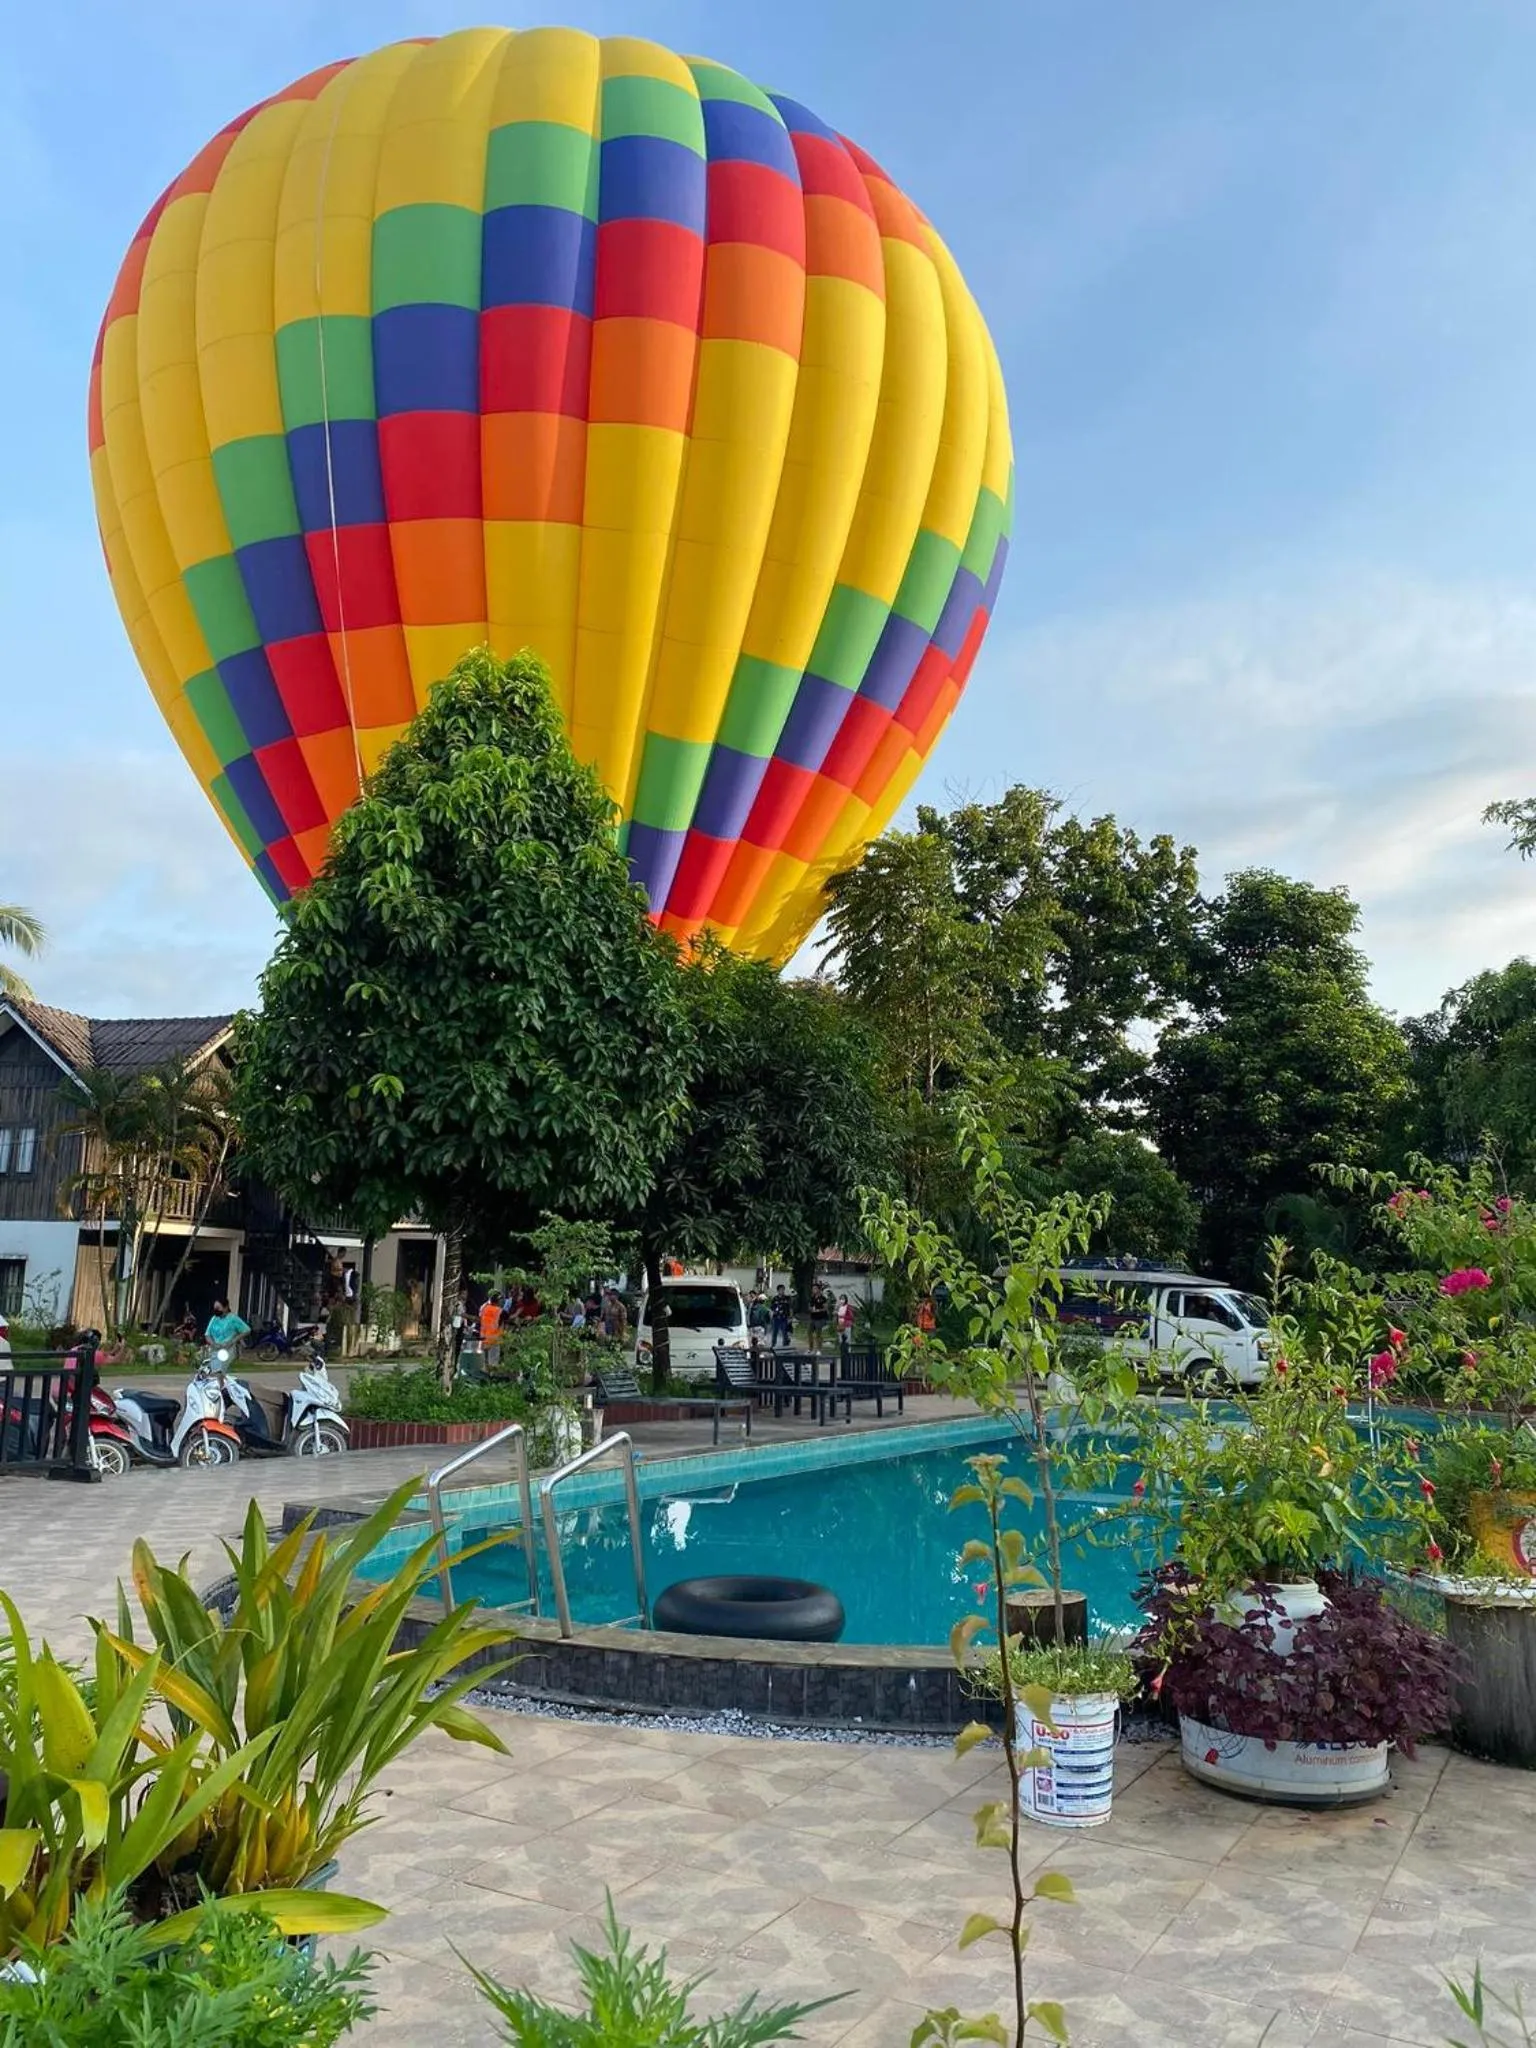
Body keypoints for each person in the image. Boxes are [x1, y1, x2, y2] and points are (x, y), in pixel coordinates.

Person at [478, 1291, 504, 1373]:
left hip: (484, 1338)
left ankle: (483, 1379)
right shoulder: (500, 1311)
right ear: (498, 1301)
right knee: (493, 1364)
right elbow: (509, 1318)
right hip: (494, 1339)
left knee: (483, 1363)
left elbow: (479, 1317)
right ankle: (491, 1379)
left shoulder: (484, 1309)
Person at [807, 1281, 830, 1356]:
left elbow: (825, 1308)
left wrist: (818, 1310)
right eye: (813, 1289)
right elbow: (809, 1307)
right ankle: (810, 1349)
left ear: (819, 1290)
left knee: (818, 1334)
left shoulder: (823, 1298)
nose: (814, 1290)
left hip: (820, 1318)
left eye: (815, 1288)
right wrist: (811, 1309)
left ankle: (819, 1349)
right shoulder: (812, 1298)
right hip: (813, 1317)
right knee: (809, 1332)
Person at [747, 1290, 771, 1354]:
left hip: (752, 1327)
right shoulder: (765, 1309)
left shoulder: (752, 1307)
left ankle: (752, 1355)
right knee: (760, 1343)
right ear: (764, 1301)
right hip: (760, 1327)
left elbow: (749, 1316)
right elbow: (768, 1320)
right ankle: (759, 1355)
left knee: (752, 1342)